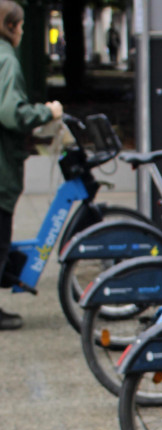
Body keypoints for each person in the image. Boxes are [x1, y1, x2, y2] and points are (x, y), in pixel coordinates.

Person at [0, 0, 61, 330]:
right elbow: (11, 111)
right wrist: (47, 113)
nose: (23, 31)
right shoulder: (6, 59)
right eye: (21, 25)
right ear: (10, 26)